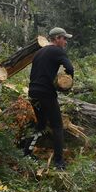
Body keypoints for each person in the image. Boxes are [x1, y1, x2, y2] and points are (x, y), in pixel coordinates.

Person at [24, 27, 74, 170]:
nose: (65, 42)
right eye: (64, 38)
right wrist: (68, 83)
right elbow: (70, 68)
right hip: (46, 94)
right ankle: (59, 162)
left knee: (40, 124)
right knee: (57, 126)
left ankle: (26, 152)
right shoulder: (57, 51)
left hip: (33, 93)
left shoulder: (38, 52)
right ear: (57, 38)